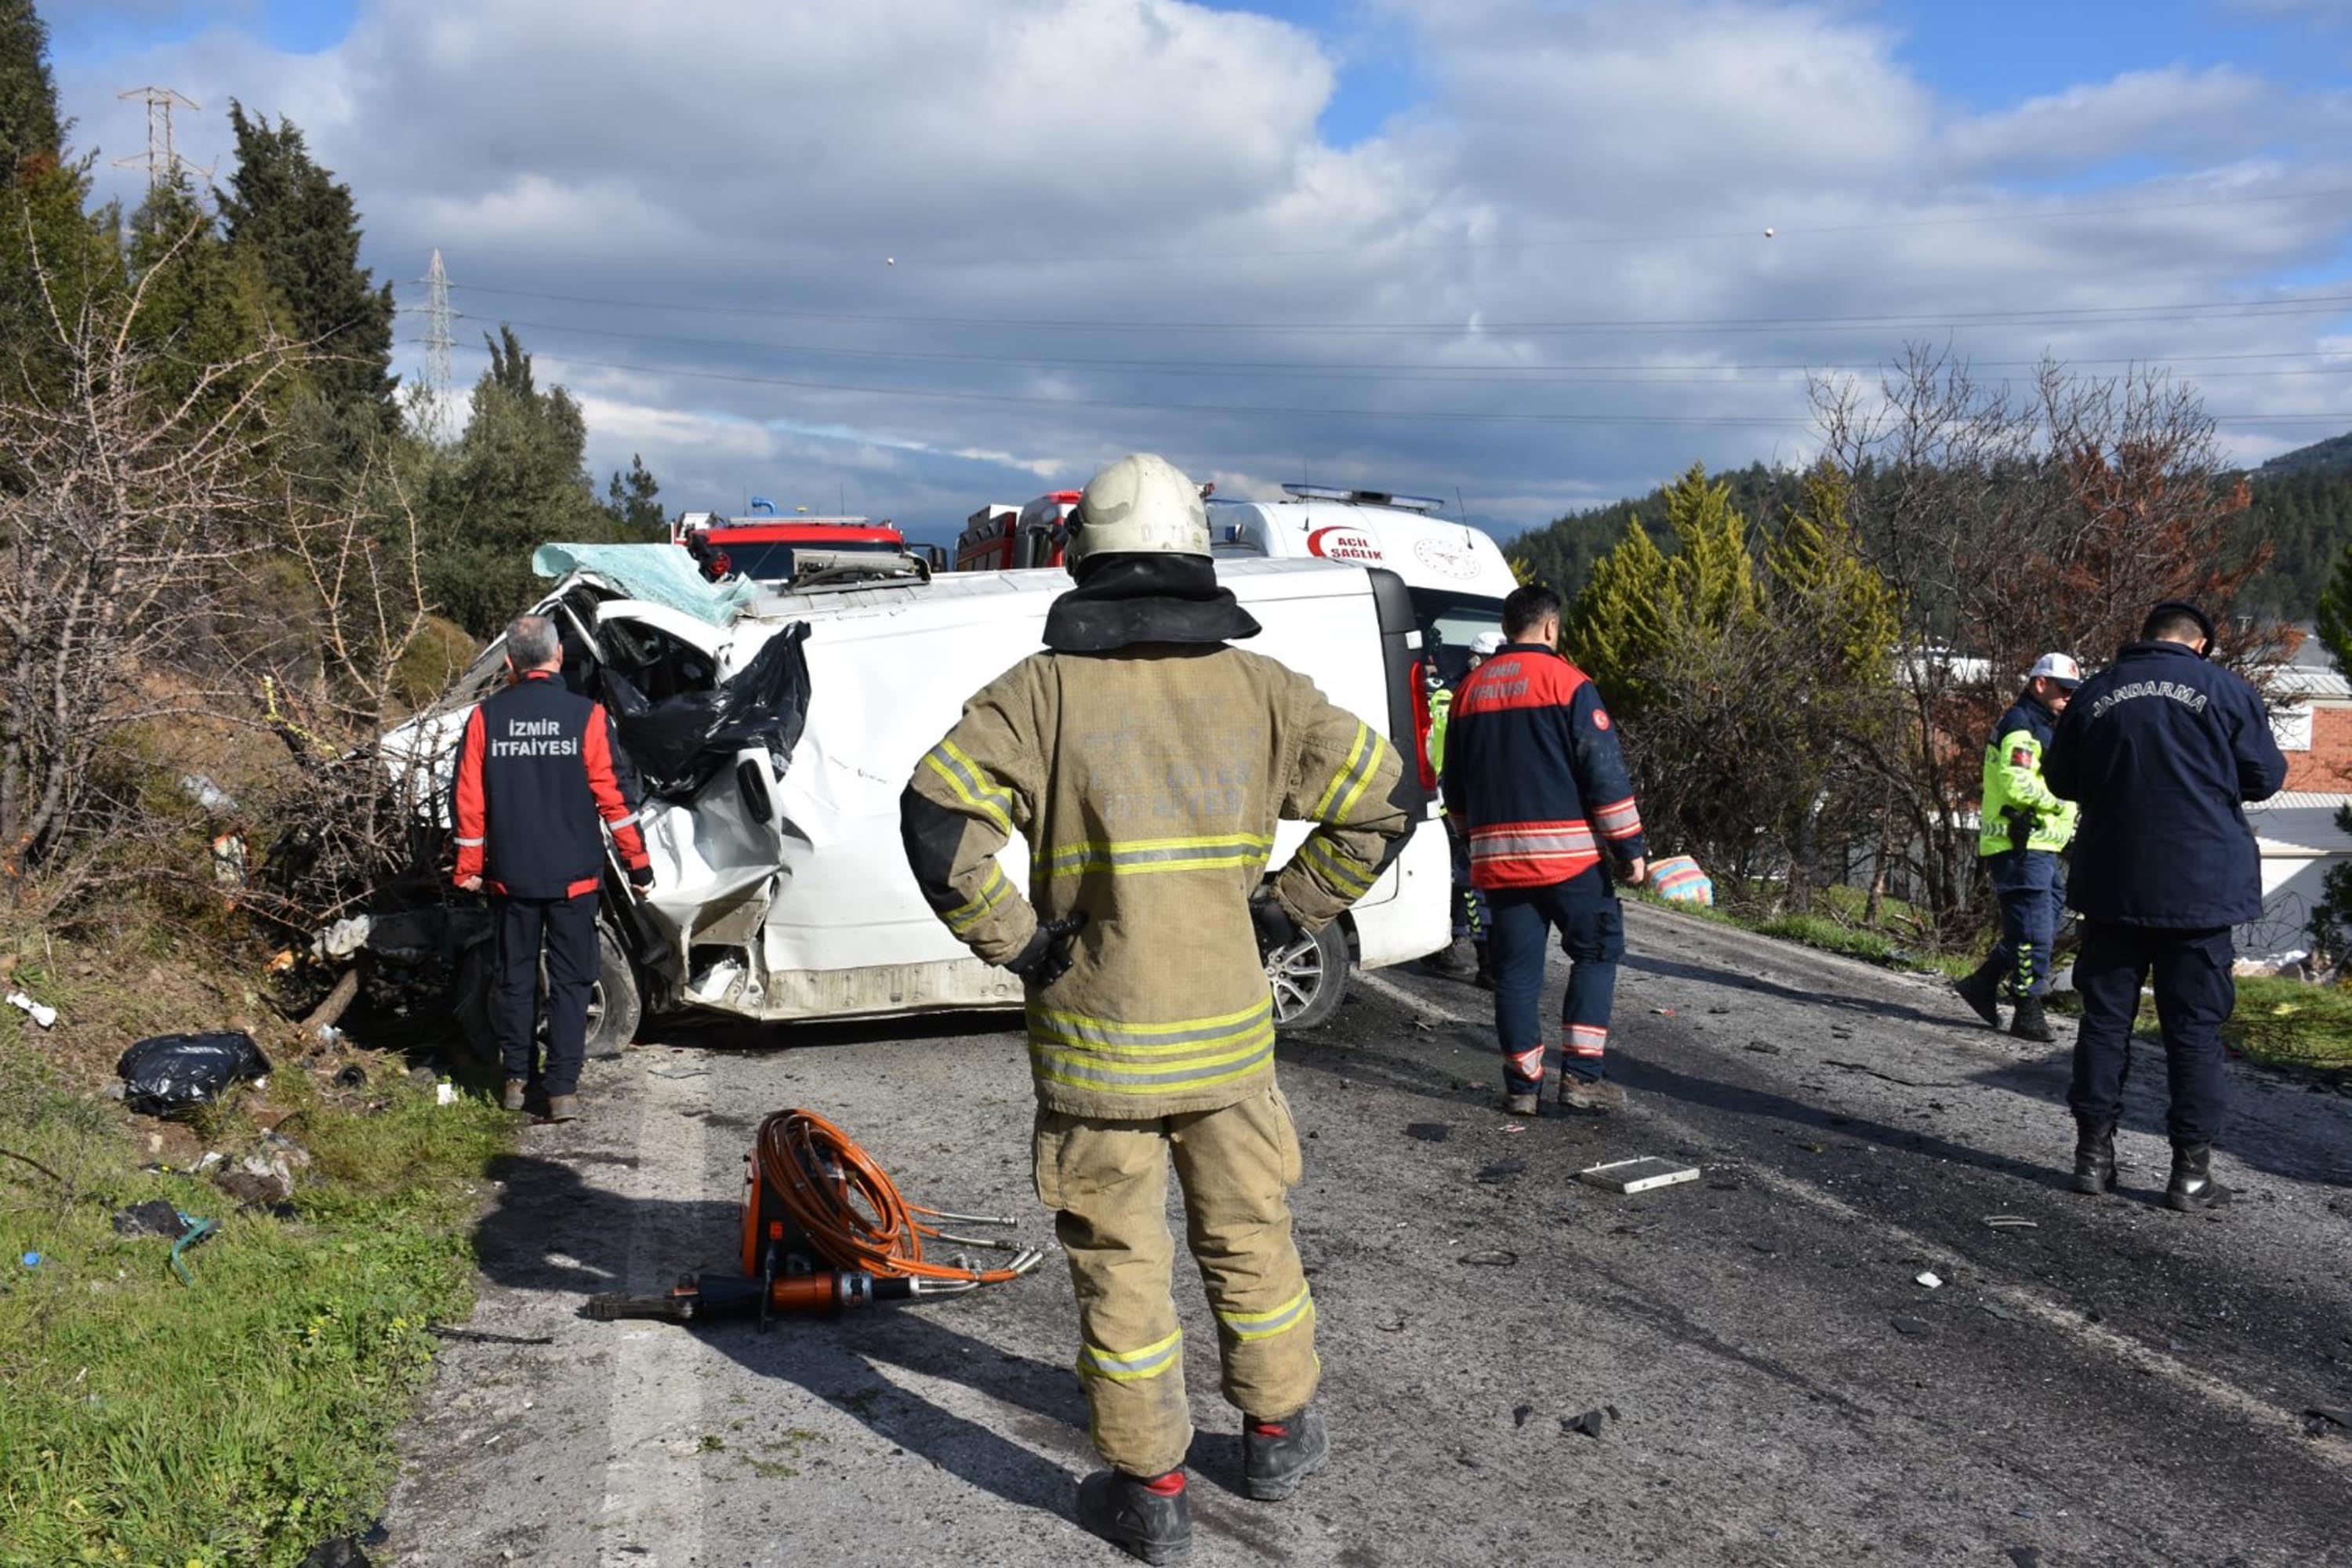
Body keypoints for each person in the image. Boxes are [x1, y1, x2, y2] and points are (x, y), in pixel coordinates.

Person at [900, 453, 1412, 1563]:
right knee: (1251, 1233)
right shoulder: (1264, 691)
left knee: (1119, 1259)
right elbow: (1386, 800)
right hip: (1229, 1044)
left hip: (1097, 1052)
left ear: (1080, 560)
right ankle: (1275, 1436)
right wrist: (1286, 911)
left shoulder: (1039, 695)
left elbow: (938, 822)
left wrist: (1023, 944)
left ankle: (1152, 1491)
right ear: (1195, 552)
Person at [2044, 601, 2286, 1211]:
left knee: (2104, 1024)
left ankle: (2092, 1159)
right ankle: (2190, 1174)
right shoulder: (2227, 692)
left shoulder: (2096, 693)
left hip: (2113, 883)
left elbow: (2061, 780)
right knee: (2194, 1033)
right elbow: (2264, 778)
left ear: (2147, 636)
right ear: (2200, 644)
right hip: (2200, 889)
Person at [1441, 586, 1646, 1117]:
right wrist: (1629, 847)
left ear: (1507, 627)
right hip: (1569, 861)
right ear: (1552, 627)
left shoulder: (1470, 691)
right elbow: (1603, 772)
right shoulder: (1569, 684)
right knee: (1595, 953)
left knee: (1514, 974)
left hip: (1499, 861)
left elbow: (1454, 783)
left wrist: (1472, 841)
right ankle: (1580, 1079)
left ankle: (1522, 1086)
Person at [452, 614, 653, 1121]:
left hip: (511, 876)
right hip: (575, 878)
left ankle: (517, 1081)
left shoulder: (485, 718)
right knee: (571, 981)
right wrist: (639, 868)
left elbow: (469, 803)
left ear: (508, 662)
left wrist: (467, 867)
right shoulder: (587, 716)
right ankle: (562, 1089)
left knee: (515, 979)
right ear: (559, 656)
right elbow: (615, 801)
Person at [1954, 653, 2082, 1044]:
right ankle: (2027, 1009)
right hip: (2020, 843)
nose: (2069, 697)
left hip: (2040, 845)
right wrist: (2060, 802)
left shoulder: (2042, 725)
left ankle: (1983, 982)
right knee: (2034, 931)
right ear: (2040, 684)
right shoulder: (2022, 725)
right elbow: (2017, 784)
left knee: (2038, 925)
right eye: (2064, 689)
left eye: (2074, 691)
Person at [1421, 629, 1505, 987]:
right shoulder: (1457, 696)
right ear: (1477, 659)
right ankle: (1478, 957)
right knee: (1469, 879)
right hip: (1450, 797)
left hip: (1461, 796)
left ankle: (1448, 943)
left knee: (1463, 877)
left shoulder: (1470, 693)